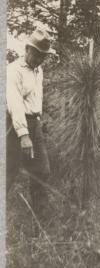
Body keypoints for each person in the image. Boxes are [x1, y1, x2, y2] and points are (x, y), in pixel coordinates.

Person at [6, 28, 54, 226]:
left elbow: (35, 100)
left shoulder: (39, 70)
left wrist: (37, 124)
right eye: (36, 53)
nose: (39, 59)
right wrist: (24, 135)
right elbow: (14, 103)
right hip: (14, 126)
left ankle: (40, 223)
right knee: (8, 172)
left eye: (43, 56)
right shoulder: (13, 70)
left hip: (35, 124)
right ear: (27, 49)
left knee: (42, 171)